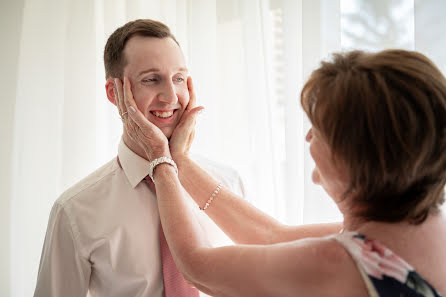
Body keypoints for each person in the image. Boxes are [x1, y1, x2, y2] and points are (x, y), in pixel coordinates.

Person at [118, 49, 446, 297]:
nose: (307, 138)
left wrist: (160, 162)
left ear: (357, 156)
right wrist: (183, 163)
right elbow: (270, 238)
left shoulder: (335, 262)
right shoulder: (417, 226)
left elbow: (196, 266)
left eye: (318, 130)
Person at [33, 19, 245, 297]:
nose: (171, 97)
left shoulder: (228, 183)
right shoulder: (75, 211)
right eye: (151, 79)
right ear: (114, 93)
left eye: (179, 78)